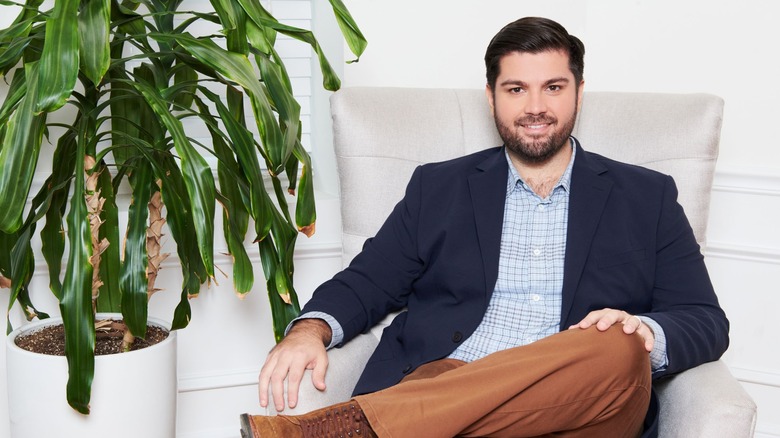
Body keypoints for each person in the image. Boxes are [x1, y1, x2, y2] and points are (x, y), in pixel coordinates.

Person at [244, 16, 729, 438]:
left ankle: (354, 429)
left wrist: (643, 330)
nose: (535, 107)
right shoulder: (438, 188)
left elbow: (706, 320)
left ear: (579, 91)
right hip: (449, 380)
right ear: (491, 96)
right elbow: (368, 280)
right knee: (439, 398)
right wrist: (309, 330)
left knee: (618, 347)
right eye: (516, 89)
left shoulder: (647, 196)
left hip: (584, 407)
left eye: (553, 88)